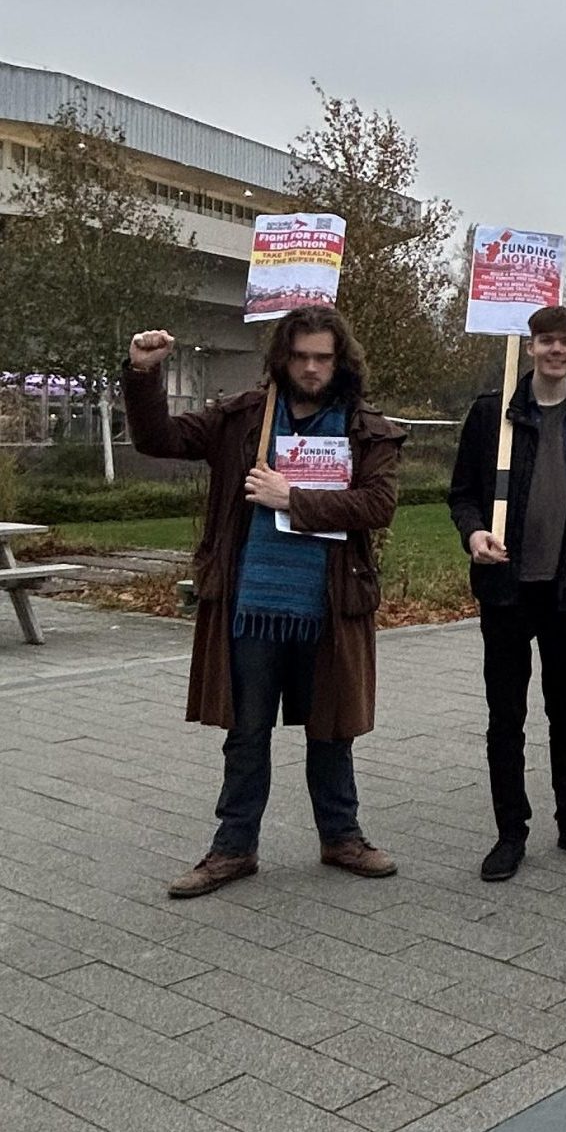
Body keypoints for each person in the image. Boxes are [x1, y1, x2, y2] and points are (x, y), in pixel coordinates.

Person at [122, 312, 401, 897]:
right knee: (247, 733)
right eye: (301, 356)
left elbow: (377, 505)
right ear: (284, 356)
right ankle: (233, 848)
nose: (311, 367)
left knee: (332, 731)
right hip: (251, 605)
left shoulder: (362, 425)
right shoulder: (245, 415)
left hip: (330, 603)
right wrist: (144, 376)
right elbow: (161, 439)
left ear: (339, 360)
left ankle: (341, 836)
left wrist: (291, 497)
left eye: (323, 357)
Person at [449, 304, 566, 881]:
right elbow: (463, 494)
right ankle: (510, 831)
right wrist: (474, 531)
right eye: (546, 341)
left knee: (565, 710)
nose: (556, 350)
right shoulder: (493, 414)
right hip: (505, 589)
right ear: (530, 347)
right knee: (506, 714)